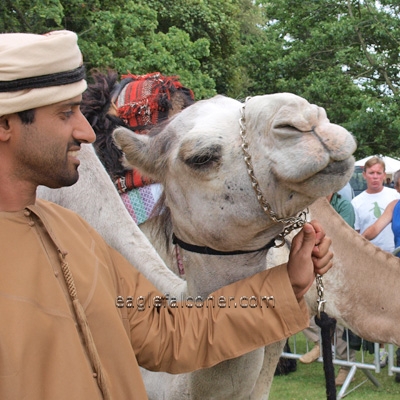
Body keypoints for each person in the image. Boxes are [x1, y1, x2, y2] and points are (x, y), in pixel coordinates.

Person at [0, 30, 333, 399]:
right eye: (65, 114)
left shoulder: (72, 234)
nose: (86, 131)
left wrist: (288, 285)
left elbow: (168, 331)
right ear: (5, 124)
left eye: (80, 110)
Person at [299, 192, 357, 386]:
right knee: (300, 306)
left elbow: (340, 238)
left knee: (340, 319)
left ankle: (345, 367)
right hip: (315, 266)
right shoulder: (308, 204)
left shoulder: (344, 206)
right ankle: (319, 344)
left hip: (343, 270)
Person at [351, 156, 400, 367]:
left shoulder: (391, 198)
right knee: (384, 308)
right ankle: (385, 354)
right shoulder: (394, 204)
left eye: (379, 173)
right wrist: (354, 244)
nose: (376, 177)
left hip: (393, 256)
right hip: (385, 264)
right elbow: (372, 230)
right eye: (371, 173)